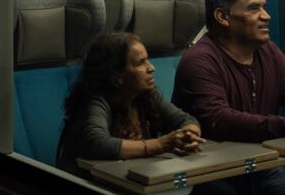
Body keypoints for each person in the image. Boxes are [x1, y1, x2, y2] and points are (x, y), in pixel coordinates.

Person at [171, 0, 285, 195]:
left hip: (260, 171)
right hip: (208, 174)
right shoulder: (199, 61)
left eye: (264, 7)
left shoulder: (269, 51)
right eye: (254, 9)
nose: (267, 16)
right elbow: (222, 120)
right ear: (222, 17)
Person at [56, 32, 203, 176]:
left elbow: (185, 120)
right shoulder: (95, 100)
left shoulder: (146, 96)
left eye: (148, 60)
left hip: (134, 180)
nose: (151, 67)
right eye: (140, 63)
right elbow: (97, 142)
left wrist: (189, 136)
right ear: (117, 76)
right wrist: (161, 144)